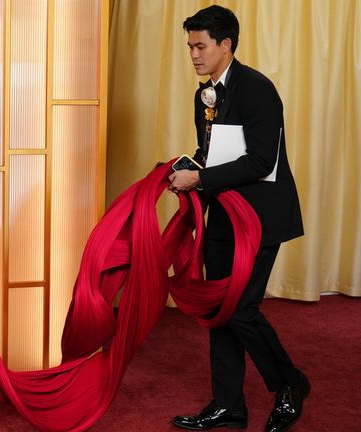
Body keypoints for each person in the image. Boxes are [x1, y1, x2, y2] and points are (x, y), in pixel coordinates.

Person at [168, 6, 309, 432]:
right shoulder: (203, 94)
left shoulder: (258, 89)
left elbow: (262, 160)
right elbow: (212, 151)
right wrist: (183, 166)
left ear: (226, 45)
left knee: (241, 309)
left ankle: (290, 384)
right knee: (219, 310)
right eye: (189, 46)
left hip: (261, 217)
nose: (192, 54)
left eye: (200, 45)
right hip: (225, 216)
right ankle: (228, 404)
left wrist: (202, 177)